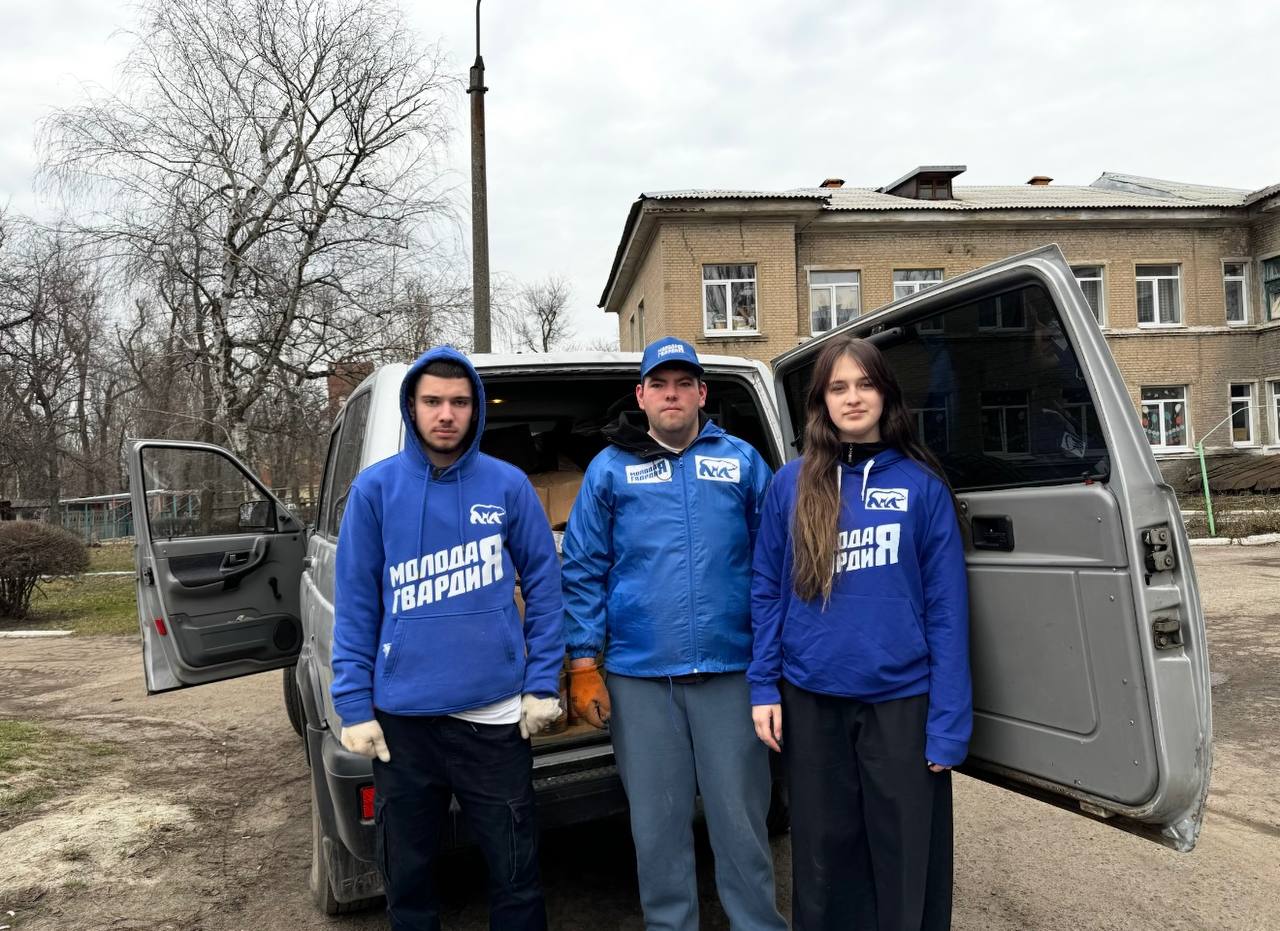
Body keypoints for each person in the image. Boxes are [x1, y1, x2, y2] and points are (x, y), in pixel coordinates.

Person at [330, 347, 565, 931]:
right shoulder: (374, 491)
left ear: (475, 408)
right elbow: (356, 606)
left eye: (459, 402)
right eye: (432, 401)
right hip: (403, 727)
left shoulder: (507, 486)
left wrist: (541, 683)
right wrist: (354, 706)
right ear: (411, 406)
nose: (446, 414)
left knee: (516, 875)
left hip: (495, 721)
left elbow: (545, 588)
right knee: (408, 880)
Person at [562, 337, 786, 931]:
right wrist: (583, 663)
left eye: (684, 384)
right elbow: (582, 567)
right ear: (640, 396)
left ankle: (757, 924)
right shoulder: (610, 469)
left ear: (702, 394)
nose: (671, 394)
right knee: (657, 829)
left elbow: (774, 564)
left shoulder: (742, 461)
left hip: (732, 673)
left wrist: (774, 661)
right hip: (640, 678)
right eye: (659, 384)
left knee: (741, 823)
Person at [748, 336, 971, 931]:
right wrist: (763, 686)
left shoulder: (923, 487)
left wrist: (949, 724)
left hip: (901, 702)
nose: (853, 398)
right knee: (824, 862)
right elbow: (766, 590)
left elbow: (948, 612)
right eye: (838, 387)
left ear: (886, 394)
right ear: (821, 401)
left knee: (904, 861)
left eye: (865, 384)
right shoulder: (791, 485)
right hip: (811, 698)